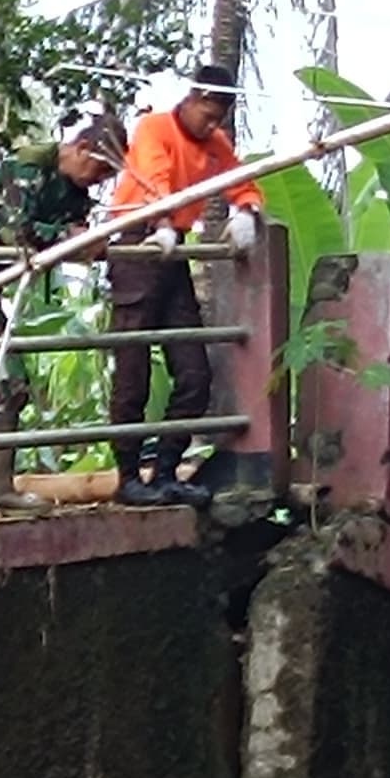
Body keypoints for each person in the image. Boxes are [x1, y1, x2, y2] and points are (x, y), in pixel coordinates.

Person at [0, 110, 126, 515]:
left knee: (8, 382)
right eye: (99, 169)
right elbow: (15, 233)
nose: (98, 180)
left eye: (107, 177)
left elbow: (74, 243)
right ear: (80, 148)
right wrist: (65, 239)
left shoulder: (74, 193)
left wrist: (84, 243)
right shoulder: (26, 171)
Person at [101, 67, 259, 507]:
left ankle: (167, 469)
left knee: (194, 370)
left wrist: (246, 212)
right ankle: (129, 476)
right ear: (192, 99)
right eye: (207, 115)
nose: (211, 126)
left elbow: (241, 181)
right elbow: (156, 179)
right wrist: (162, 222)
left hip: (174, 253)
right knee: (133, 370)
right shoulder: (154, 127)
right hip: (139, 244)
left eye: (218, 120)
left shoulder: (215, 144)